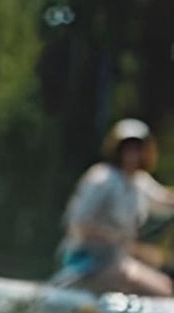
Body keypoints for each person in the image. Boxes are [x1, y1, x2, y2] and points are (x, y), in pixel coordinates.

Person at [57, 118, 174, 296]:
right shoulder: (102, 178)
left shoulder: (139, 181)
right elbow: (78, 225)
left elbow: (164, 200)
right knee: (159, 291)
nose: (133, 154)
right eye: (128, 148)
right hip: (86, 264)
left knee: (165, 286)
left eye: (138, 149)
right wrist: (129, 245)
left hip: (117, 263)